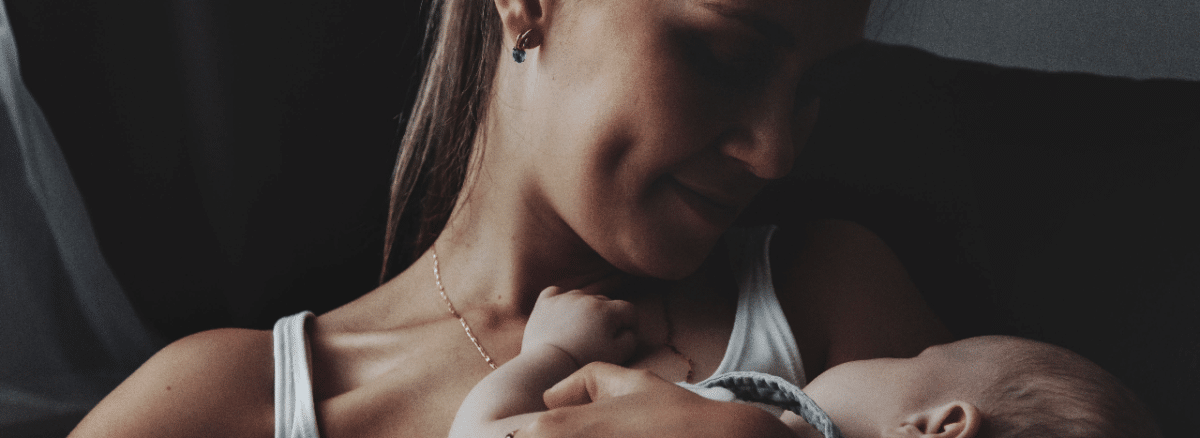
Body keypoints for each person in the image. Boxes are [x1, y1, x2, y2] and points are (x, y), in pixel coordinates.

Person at [68, 0, 954, 436]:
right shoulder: (238, 400)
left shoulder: (824, 294)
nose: (775, 151)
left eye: (816, 92)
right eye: (725, 56)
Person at [451, 290, 1160, 438]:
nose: (892, 348)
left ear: (937, 428)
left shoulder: (746, 429)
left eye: (916, 355)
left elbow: (482, 434)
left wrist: (555, 352)